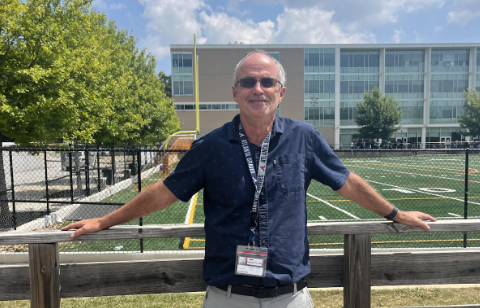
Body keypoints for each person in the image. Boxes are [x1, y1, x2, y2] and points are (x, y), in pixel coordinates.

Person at [62, 50, 436, 308]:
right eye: (249, 82)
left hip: (290, 296)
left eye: (267, 82)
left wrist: (394, 213)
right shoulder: (210, 146)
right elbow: (164, 192)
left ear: (280, 91)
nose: (258, 88)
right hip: (228, 295)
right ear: (235, 92)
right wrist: (103, 220)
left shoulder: (304, 138)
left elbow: (345, 180)